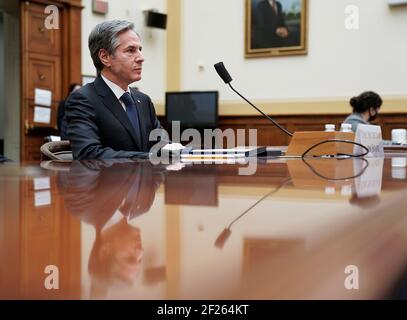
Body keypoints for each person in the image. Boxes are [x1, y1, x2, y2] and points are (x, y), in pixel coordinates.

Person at [65, 20, 162, 159]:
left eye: (140, 49)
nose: (141, 58)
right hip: (107, 180)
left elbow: (162, 144)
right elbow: (89, 154)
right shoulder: (83, 99)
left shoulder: (144, 100)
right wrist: (148, 157)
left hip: (147, 180)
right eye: (130, 50)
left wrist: (187, 153)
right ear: (105, 57)